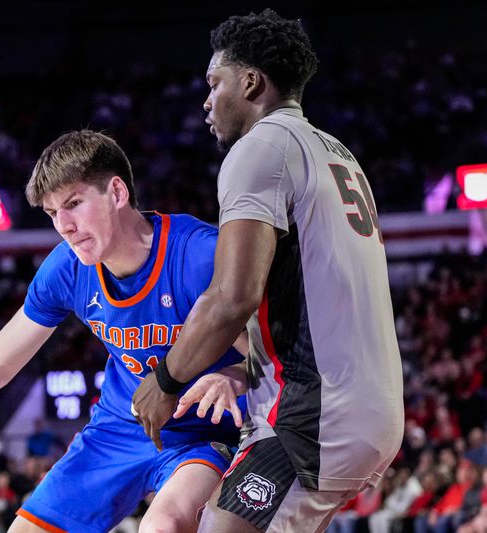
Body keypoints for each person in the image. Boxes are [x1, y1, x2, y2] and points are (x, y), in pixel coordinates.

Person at [0, 130, 247, 533]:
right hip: (119, 428)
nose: (63, 225)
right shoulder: (67, 268)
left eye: (74, 204)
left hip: (205, 432)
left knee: (162, 527)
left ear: (117, 192)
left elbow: (280, 354)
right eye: (51, 213)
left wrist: (232, 376)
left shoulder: (200, 254)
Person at [132, 9, 404, 532]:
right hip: (367, 403)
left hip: (317, 413)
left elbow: (233, 295)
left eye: (215, 83)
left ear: (251, 81)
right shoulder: (337, 152)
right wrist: (239, 372)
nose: (206, 101)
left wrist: (165, 379)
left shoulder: (260, 147)